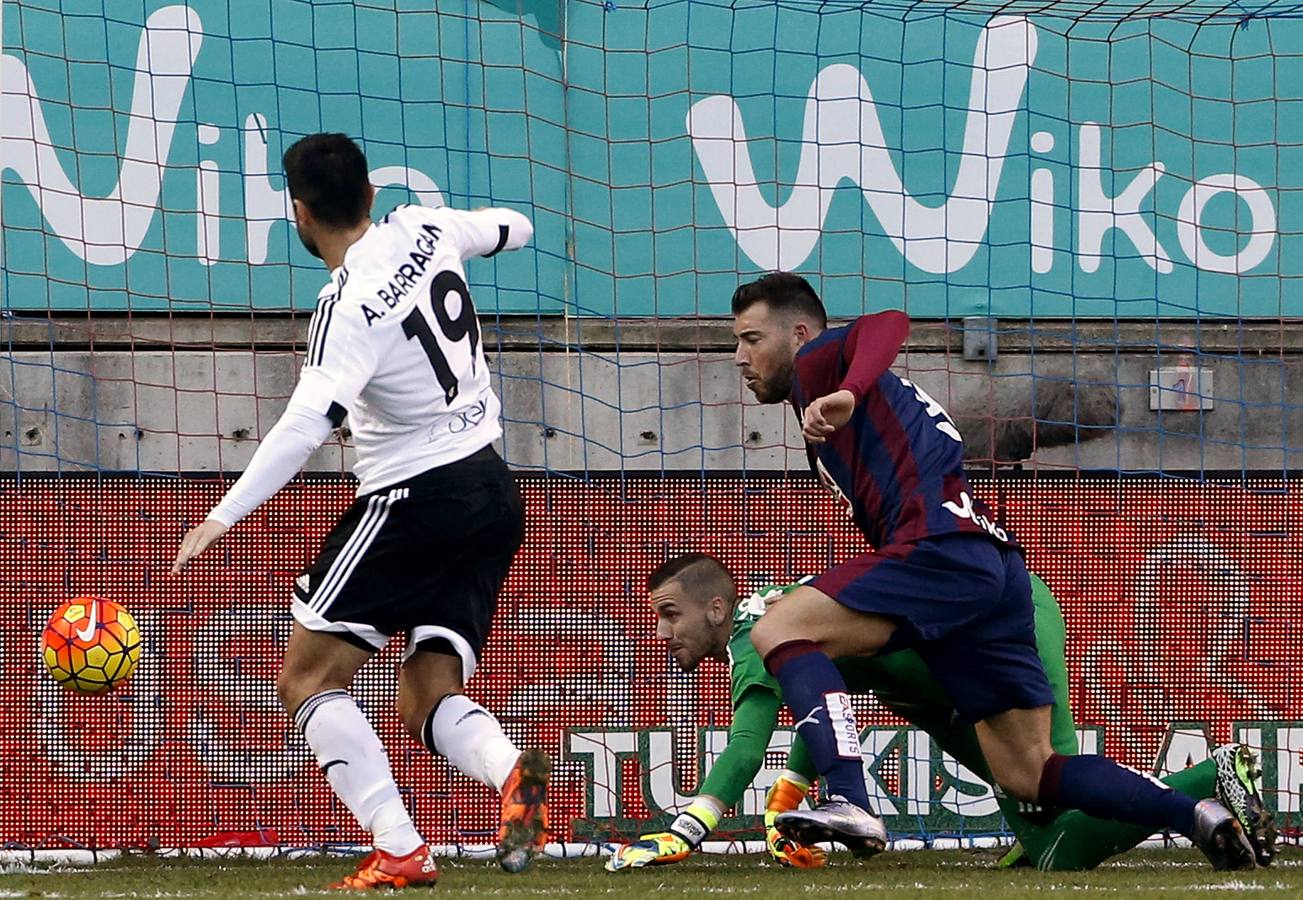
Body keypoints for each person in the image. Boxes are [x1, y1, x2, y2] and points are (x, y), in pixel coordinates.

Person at [727, 272, 1259, 870]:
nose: (740, 358)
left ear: (799, 334)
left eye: (751, 339)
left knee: (776, 628)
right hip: (991, 569)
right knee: (1029, 772)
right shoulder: (836, 404)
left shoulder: (823, 364)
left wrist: (848, 388)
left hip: (937, 551)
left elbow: (887, 324)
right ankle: (1195, 812)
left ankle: (850, 798)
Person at [171, 133, 548, 889]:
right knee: (425, 694)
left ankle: (399, 845)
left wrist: (222, 515)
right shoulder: (425, 227)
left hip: (414, 496)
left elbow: (308, 421)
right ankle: (513, 773)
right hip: (492, 491)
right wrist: (485, 232)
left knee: (306, 677)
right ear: (373, 195)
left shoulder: (344, 305)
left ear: (299, 214)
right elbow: (516, 227)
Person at [604, 554, 1275, 871]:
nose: (662, 633)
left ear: (716, 607)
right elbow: (819, 704)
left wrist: (690, 825)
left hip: (994, 631)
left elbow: (745, 747)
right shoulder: (768, 621)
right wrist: (789, 800)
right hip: (946, 675)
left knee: (1051, 823)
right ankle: (1199, 797)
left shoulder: (756, 633)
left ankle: (1204, 784)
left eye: (669, 615)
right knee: (1043, 841)